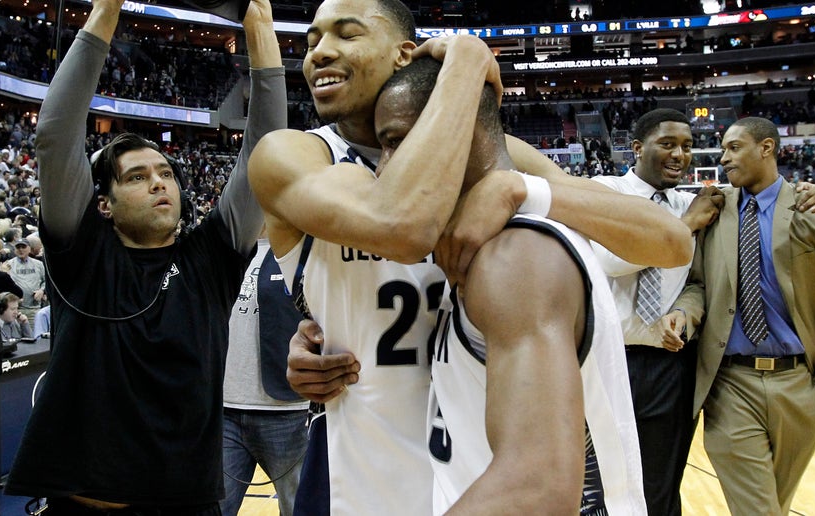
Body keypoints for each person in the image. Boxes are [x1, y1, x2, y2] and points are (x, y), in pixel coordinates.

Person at [249, 1, 691, 513]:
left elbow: (670, 240)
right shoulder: (297, 155)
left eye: (347, 35)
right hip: (363, 470)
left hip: (483, 472)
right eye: (310, 42)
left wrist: (518, 188)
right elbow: (403, 224)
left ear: (404, 54)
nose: (321, 53)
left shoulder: (490, 152)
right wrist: (467, 61)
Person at [2, 0, 283, 512]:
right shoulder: (80, 253)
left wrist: (260, 28)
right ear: (102, 204)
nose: (159, 182)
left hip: (187, 504)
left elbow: (266, 152)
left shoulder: (212, 258)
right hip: (82, 505)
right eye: (137, 176)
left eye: (166, 173)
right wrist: (106, 10)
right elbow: (54, 134)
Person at [374, 57, 646, 515]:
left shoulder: (516, 256)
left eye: (395, 143)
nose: (383, 170)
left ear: (458, 130)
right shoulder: (474, 245)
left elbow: (536, 488)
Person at [664, 117, 815, 515]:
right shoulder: (714, 211)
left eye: (733, 148)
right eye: (722, 150)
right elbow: (698, 283)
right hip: (731, 383)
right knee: (758, 510)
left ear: (767, 148)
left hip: (800, 386)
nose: (723, 158)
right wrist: (685, 312)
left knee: (774, 505)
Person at [590, 109, 724, 515]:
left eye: (686, 146)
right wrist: (683, 226)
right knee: (604, 483)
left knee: (663, 484)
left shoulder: (692, 202)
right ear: (637, 148)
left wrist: (810, 192)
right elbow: (611, 258)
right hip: (610, 360)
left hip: (671, 364)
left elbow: (698, 283)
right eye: (668, 144)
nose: (680, 154)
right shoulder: (606, 189)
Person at [220, 228, 308, 516]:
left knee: (300, 509)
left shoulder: (306, 250)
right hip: (224, 412)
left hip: (290, 413)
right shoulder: (224, 250)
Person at [2, 239, 45, 321]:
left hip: (34, 308)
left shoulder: (38, 264)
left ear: (29, 248)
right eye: (18, 247)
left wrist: (42, 290)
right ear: (15, 250)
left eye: (23, 247)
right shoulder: (8, 265)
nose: (21, 250)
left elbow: (46, 281)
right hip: (16, 309)